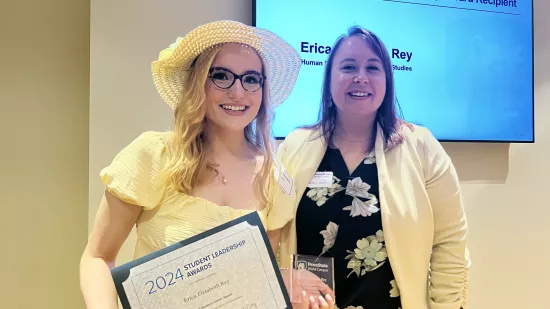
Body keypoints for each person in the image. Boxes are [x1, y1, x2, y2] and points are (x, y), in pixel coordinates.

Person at [79, 20, 315, 308]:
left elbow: (251, 281)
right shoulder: (154, 154)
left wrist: (286, 282)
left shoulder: (273, 176)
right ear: (197, 83)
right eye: (221, 76)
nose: (238, 92)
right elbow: (98, 257)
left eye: (251, 79)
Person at [275, 26, 471, 309]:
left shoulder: (421, 146)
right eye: (348, 66)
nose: (360, 77)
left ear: (387, 81)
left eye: (373, 67)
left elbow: (450, 244)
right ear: (329, 80)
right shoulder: (295, 146)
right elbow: (271, 229)